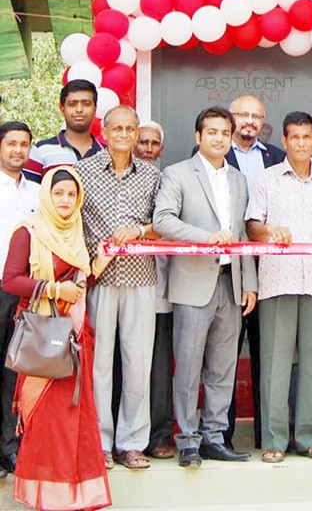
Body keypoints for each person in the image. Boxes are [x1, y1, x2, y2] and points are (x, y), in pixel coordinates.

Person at [153, 106, 258, 469]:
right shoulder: (178, 173)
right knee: (188, 367)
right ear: (198, 136)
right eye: (211, 132)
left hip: (231, 283)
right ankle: (187, 440)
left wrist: (250, 283)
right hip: (193, 283)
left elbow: (241, 233)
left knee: (223, 369)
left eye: (224, 133)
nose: (219, 138)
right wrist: (205, 238)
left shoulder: (238, 179)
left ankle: (214, 436)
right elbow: (163, 220)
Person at [3, 167, 113, 510]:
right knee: (45, 421)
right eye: (58, 193)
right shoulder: (28, 232)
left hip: (75, 339)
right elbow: (10, 280)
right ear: (47, 196)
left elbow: (77, 286)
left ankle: (71, 496)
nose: (65, 200)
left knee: (73, 420)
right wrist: (52, 289)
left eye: (71, 194)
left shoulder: (77, 231)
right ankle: (46, 498)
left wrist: (98, 265)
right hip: (42, 337)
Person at [247, 111, 312, 463]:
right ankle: (274, 439)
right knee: (276, 361)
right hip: (278, 280)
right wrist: (269, 231)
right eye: (294, 137)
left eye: (306, 137)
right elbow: (252, 226)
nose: (301, 143)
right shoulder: (267, 179)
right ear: (284, 141)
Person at [76, 106, 161, 471]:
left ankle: (132, 443)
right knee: (98, 367)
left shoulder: (152, 175)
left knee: (138, 364)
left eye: (130, 128)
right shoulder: (83, 171)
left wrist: (139, 231)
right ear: (105, 133)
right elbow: (71, 221)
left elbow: (164, 222)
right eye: (118, 128)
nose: (124, 134)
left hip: (141, 278)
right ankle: (99, 443)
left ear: (136, 133)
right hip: (99, 280)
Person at [222, 95, 285, 450]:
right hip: (229, 273)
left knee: (268, 357)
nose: (249, 121)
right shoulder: (213, 154)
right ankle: (223, 436)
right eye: (242, 115)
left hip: (270, 270)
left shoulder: (276, 157)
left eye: (255, 116)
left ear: (263, 121)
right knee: (225, 357)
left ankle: (267, 437)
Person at [133, 121, 175, 460]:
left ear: (161, 149)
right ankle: (126, 439)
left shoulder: (169, 181)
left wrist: (144, 230)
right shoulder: (122, 180)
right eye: (142, 142)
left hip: (161, 289)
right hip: (126, 287)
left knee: (159, 368)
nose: (148, 148)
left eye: (153, 144)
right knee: (127, 365)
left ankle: (159, 435)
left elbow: (169, 226)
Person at [0, 122, 40, 477]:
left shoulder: (38, 192)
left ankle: (10, 448)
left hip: (25, 292)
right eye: (11, 143)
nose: (17, 150)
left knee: (15, 373)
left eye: (24, 144)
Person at [24, 80, 103, 182]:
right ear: (62, 108)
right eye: (72, 104)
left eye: (86, 104)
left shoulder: (108, 154)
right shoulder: (41, 152)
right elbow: (27, 190)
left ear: (95, 109)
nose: (79, 109)